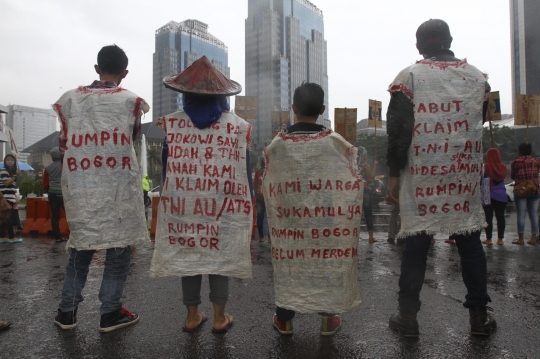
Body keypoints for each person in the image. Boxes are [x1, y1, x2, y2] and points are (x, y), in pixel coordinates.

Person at [386, 19, 496, 337]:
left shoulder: (408, 77)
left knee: (416, 244)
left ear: (419, 46)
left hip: (422, 177)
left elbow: (398, 131)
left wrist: (394, 175)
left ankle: (408, 318)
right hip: (462, 176)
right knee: (470, 243)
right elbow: (477, 120)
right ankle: (478, 317)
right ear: (449, 40)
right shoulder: (476, 78)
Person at [150, 56, 253, 334]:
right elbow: (245, 174)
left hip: (184, 207)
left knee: (189, 256)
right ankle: (220, 317)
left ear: (185, 95)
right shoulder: (238, 127)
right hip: (224, 208)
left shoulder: (173, 127)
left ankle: (192, 316)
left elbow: (166, 173)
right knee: (219, 256)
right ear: (222, 97)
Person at [53, 44, 149, 332]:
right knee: (118, 249)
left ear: (97, 68)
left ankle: (66, 312)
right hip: (119, 189)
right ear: (125, 73)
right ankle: (110, 312)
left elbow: (63, 144)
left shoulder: (70, 100)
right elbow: (132, 138)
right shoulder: (130, 101)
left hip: (82, 189)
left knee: (81, 248)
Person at [264, 82, 362, 336]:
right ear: (322, 109)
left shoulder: (278, 144)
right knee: (324, 262)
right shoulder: (335, 143)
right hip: (324, 218)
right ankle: (329, 319)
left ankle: (284, 319)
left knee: (290, 263)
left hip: (289, 220)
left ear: (293, 109)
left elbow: (268, 179)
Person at [510, 143, 540, 245]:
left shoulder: (516, 162)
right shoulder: (536, 162)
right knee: (534, 214)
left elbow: (513, 176)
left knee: (521, 215)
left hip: (521, 191)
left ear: (520, 151)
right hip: (534, 190)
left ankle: (521, 239)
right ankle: (533, 238)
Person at [482, 148, 508, 246]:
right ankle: (500, 239)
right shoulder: (503, 167)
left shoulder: (486, 166)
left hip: (490, 195)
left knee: (489, 218)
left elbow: (483, 179)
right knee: (500, 217)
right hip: (502, 195)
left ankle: (489, 239)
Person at [43, 146, 66, 243]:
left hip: (52, 193)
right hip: (62, 193)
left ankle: (58, 237)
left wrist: (49, 191)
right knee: (70, 214)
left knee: (55, 215)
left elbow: (45, 183)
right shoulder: (65, 165)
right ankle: (76, 236)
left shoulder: (48, 168)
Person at [358, 147, 378, 242]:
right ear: (363, 155)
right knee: (368, 214)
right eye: (366, 154)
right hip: (366, 191)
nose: (367, 155)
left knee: (355, 214)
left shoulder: (353, 164)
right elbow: (371, 177)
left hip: (356, 191)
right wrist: (375, 166)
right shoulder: (365, 165)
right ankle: (371, 237)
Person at [0, 154, 21, 243]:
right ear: (5, 161)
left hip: (10, 197)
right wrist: (16, 176)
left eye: (12, 160)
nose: (10, 161)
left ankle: (2, 236)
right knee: (8, 218)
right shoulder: (4, 171)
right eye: (8, 160)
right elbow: (6, 183)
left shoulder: (11, 173)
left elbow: (12, 187)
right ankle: (11, 237)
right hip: (6, 198)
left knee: (5, 218)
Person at [254, 159, 270, 242]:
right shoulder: (270, 172)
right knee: (270, 218)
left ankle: (261, 237)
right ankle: (270, 238)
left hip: (260, 199)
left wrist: (256, 195)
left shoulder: (258, 172)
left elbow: (255, 186)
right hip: (269, 198)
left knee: (260, 218)